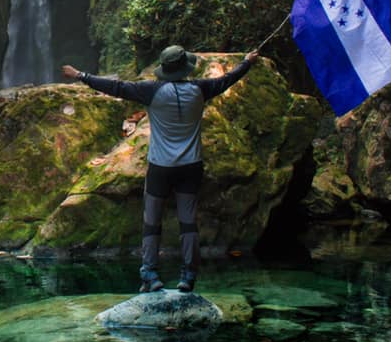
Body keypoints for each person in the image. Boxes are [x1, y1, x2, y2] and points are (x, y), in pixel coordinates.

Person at [62, 45, 259, 293]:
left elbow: (116, 88)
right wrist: (247, 62)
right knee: (188, 222)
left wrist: (80, 75)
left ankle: (150, 275)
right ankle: (188, 276)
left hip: (160, 167)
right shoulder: (201, 89)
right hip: (190, 166)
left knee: (151, 222)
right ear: (185, 68)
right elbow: (227, 80)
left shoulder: (151, 91)